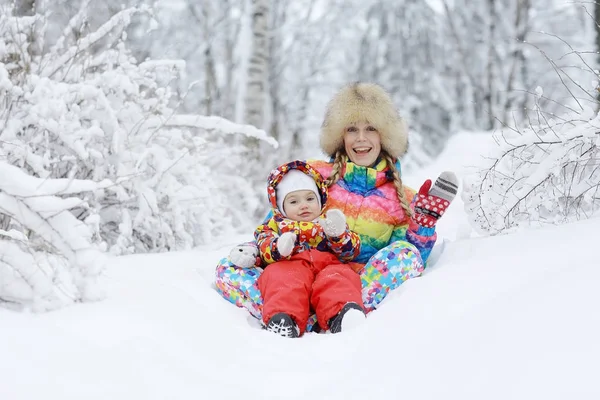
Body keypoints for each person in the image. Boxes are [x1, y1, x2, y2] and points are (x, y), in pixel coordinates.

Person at [215, 82, 459, 332]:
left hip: (351, 284)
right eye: (352, 129)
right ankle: (286, 312)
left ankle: (341, 313)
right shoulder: (313, 175)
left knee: (405, 256)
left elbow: (414, 258)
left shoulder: (403, 198)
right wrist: (260, 250)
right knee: (228, 269)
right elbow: (277, 221)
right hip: (292, 276)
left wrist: (423, 226)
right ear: (340, 135)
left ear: (384, 135)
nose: (361, 138)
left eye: (371, 128)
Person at [255, 160, 365, 338]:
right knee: (280, 277)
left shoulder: (328, 220)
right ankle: (284, 319)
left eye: (309, 198)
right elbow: (263, 245)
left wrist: (338, 236)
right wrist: (278, 247)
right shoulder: (275, 225)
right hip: (292, 266)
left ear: (320, 199)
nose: (304, 205)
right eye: (293, 201)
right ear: (281, 207)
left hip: (327, 266)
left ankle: (342, 314)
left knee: (339, 277)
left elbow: (352, 251)